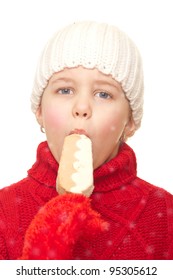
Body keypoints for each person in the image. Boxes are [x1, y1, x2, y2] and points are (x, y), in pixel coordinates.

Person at [0, 21, 173, 260]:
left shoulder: (165, 214)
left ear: (130, 121)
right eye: (65, 90)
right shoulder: (4, 210)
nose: (81, 108)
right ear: (39, 110)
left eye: (103, 94)